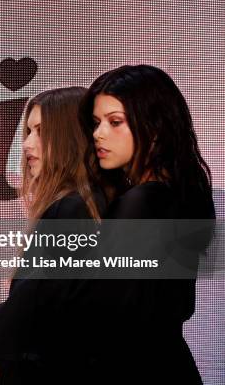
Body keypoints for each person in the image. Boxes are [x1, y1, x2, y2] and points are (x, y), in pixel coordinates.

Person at [76, 64, 215, 383]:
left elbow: (104, 316)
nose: (98, 134)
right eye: (96, 123)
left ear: (154, 127)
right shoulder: (183, 191)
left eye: (115, 122)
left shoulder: (142, 202)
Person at [0, 87, 105, 384]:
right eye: (28, 131)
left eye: (42, 131)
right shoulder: (86, 204)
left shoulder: (71, 210)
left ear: (71, 137)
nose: (27, 144)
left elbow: (33, 315)